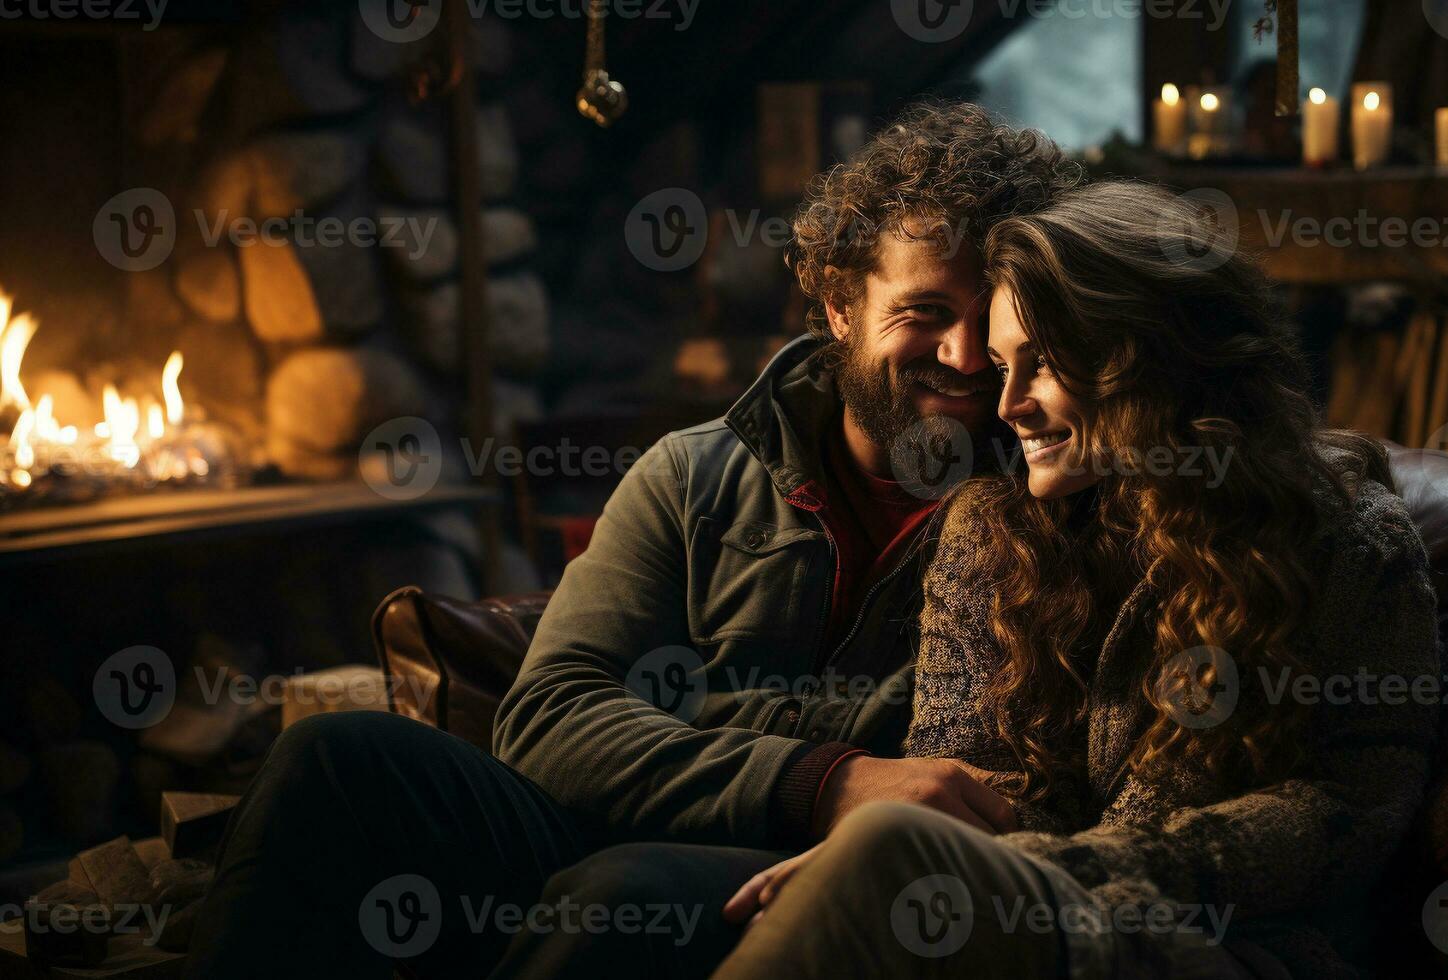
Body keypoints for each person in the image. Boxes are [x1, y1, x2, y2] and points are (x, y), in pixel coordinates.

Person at [183, 102, 1081, 980]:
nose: (966, 358)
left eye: (992, 321)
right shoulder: (693, 475)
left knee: (622, 891)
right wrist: (828, 777)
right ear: (841, 305)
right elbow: (547, 721)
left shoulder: (1047, 502)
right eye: (924, 312)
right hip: (629, 824)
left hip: (790, 874)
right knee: (336, 759)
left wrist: (693, 728)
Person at [709, 181, 1441, 979]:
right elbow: (970, 780)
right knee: (884, 860)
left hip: (1237, 949)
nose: (1010, 404)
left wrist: (1034, 875)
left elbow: (1341, 816)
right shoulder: (993, 530)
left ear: (1156, 355)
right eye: (1000, 366)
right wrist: (948, 866)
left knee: (888, 854)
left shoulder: (1342, 539)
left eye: (1045, 364)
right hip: (1024, 918)